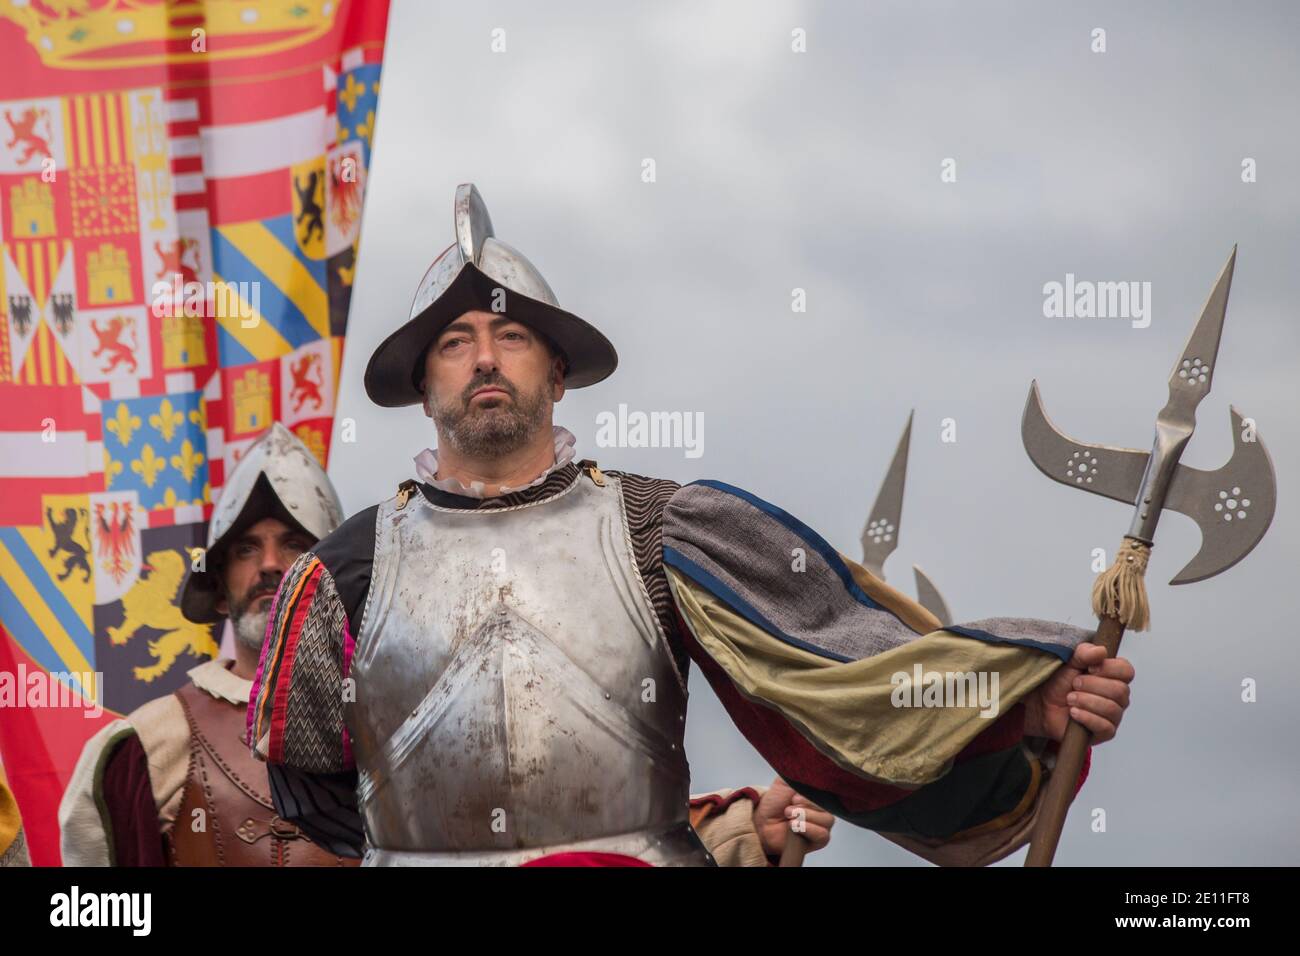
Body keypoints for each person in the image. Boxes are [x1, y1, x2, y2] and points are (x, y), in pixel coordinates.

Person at [249, 184, 1133, 866]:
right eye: (455, 341)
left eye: (511, 337)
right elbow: (310, 784)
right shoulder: (344, 572)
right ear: (424, 387)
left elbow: (847, 677)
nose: (484, 355)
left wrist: (1011, 697)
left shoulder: (659, 528)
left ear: (558, 374)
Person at [58, 424, 359, 866]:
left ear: (334, 577)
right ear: (218, 589)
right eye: (246, 550)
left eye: (295, 544)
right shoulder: (147, 741)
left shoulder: (387, 718)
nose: (271, 564)